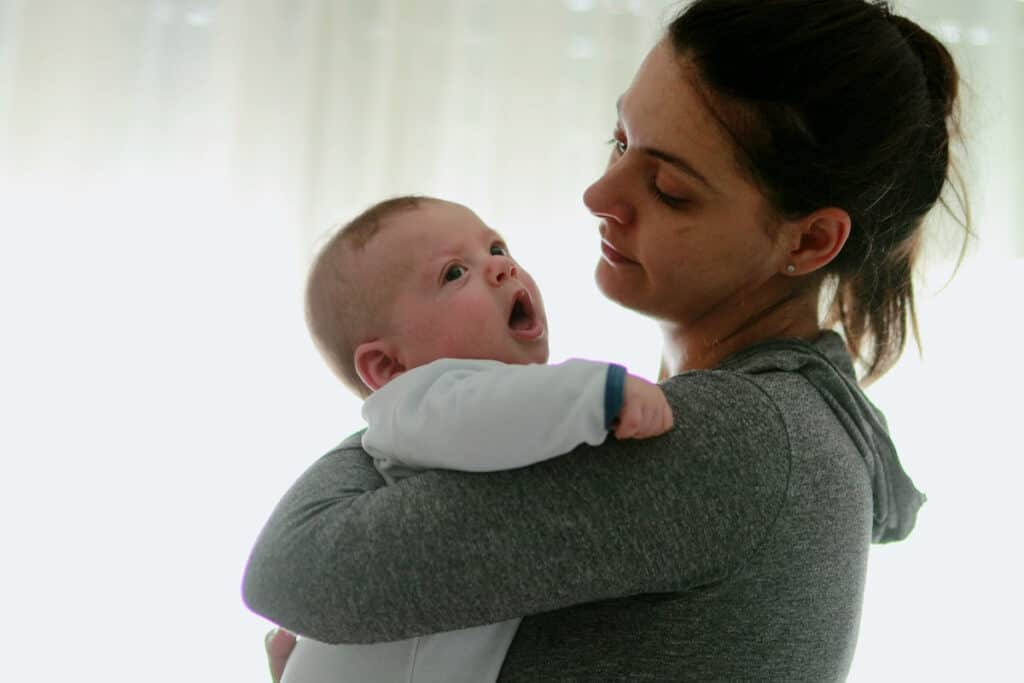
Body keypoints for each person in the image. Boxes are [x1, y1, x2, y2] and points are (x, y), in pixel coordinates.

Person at [244, 0, 968, 680]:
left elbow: (293, 570)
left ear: (810, 240)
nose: (599, 194)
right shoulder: (789, 427)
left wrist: (404, 396)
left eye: (668, 188)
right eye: (619, 141)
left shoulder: (729, 442)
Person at [267, 195, 674, 683]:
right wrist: (600, 394)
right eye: (454, 273)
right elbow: (489, 414)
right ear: (389, 367)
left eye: (496, 247)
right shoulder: (419, 400)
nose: (501, 267)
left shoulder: (472, 412)